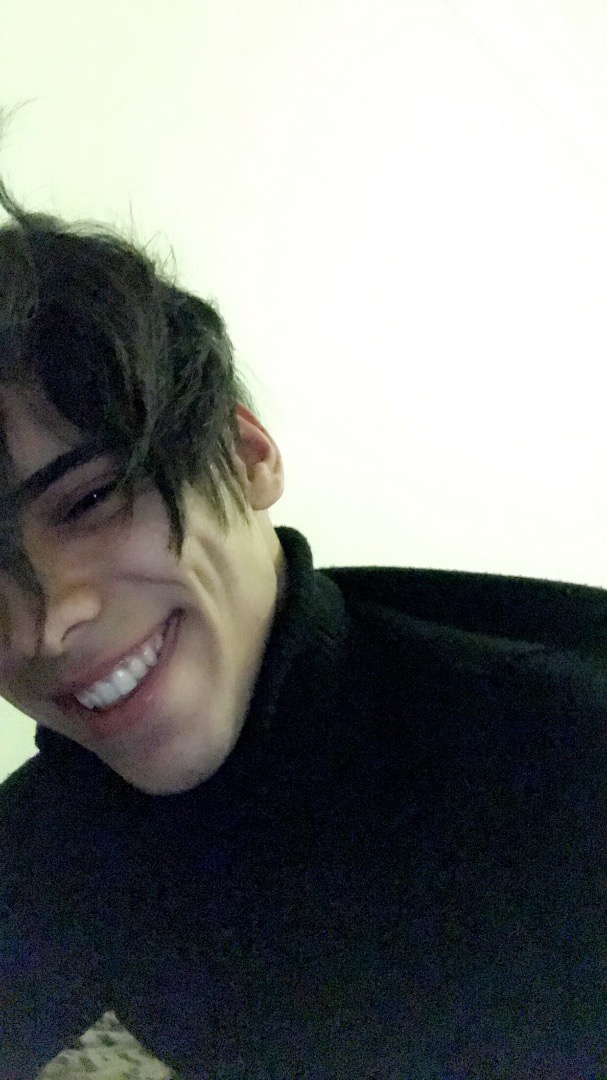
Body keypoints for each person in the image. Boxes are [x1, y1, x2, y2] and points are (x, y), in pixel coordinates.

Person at [0, 174, 605, 1080]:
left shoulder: (561, 768)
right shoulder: (39, 857)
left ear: (247, 456)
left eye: (89, 501)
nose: (42, 626)